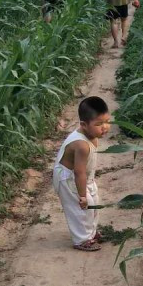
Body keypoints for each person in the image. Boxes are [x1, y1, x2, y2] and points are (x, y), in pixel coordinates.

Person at [52, 96, 111, 252]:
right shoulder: (81, 145)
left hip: (83, 177)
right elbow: (79, 172)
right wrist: (82, 195)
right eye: (99, 124)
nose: (105, 127)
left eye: (107, 121)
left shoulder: (92, 136)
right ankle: (81, 239)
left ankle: (91, 232)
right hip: (68, 179)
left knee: (93, 203)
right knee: (80, 208)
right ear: (84, 125)